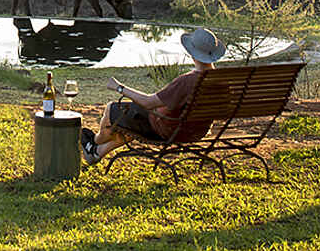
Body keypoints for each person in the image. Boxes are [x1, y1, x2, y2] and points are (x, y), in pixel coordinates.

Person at [80, 28, 225, 165]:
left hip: (167, 129)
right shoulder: (221, 82)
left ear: (192, 54)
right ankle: (96, 153)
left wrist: (119, 87)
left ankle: (95, 141)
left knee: (113, 108)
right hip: (198, 132)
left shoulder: (188, 81)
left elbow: (148, 103)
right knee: (131, 121)